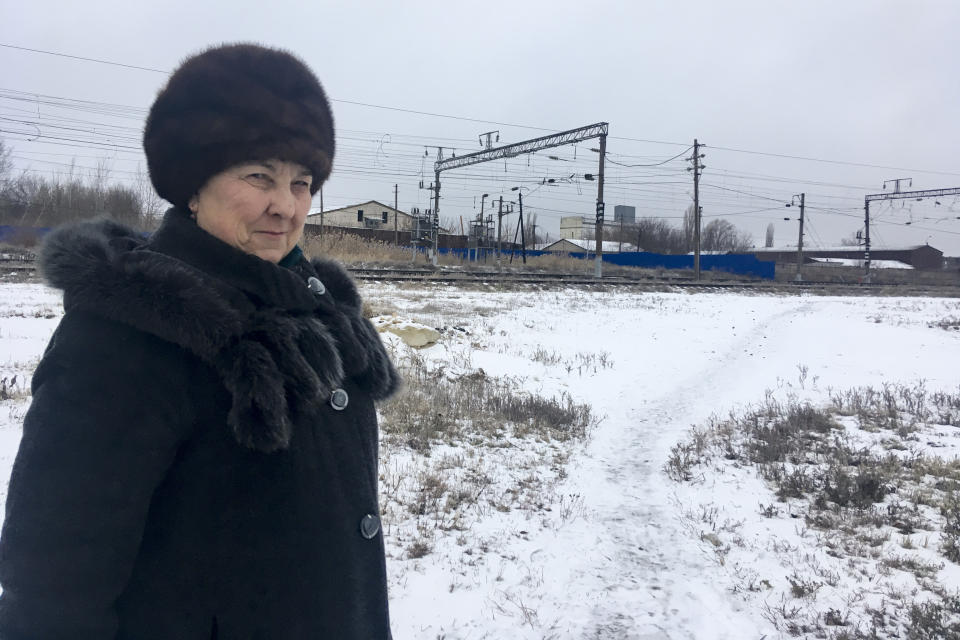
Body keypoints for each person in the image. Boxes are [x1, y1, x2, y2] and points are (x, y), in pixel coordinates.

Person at [0, 43, 399, 639]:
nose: (285, 207)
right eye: (259, 176)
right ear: (192, 185)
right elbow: (54, 578)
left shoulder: (313, 308)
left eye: (301, 182)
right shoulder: (130, 332)